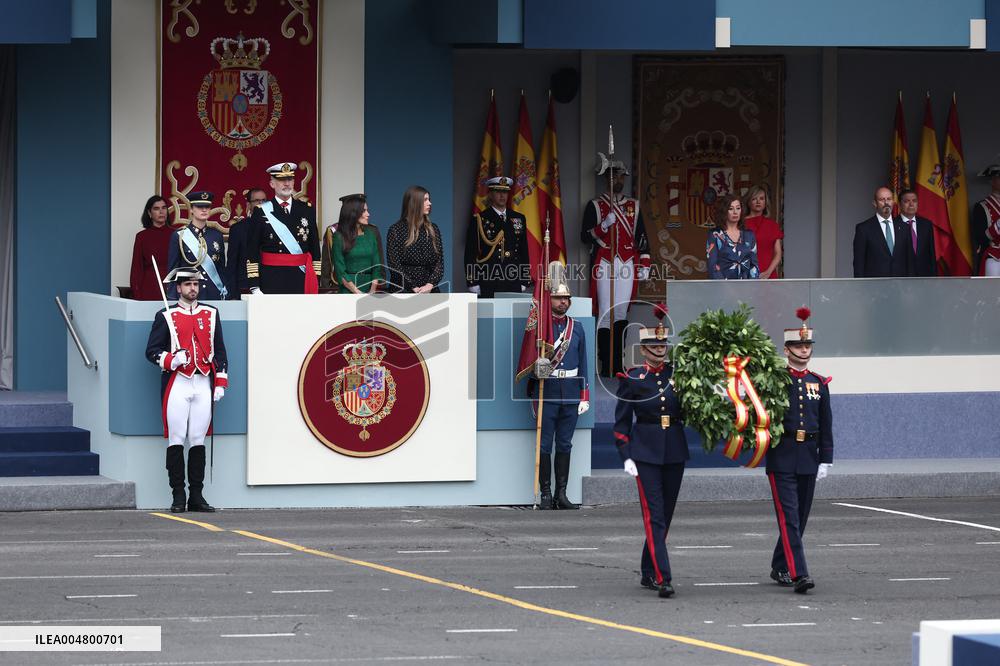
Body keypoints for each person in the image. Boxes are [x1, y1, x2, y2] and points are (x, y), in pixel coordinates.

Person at [612, 306, 686, 598]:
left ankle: (647, 569)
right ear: (643, 350)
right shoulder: (633, 378)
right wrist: (626, 455)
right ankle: (661, 576)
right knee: (654, 515)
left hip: (675, 450)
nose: (660, 349)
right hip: (645, 453)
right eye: (654, 345)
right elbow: (620, 423)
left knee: (665, 516)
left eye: (663, 344)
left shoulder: (679, 374)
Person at [145, 267, 229, 513]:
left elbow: (220, 351)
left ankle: (197, 496)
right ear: (178, 288)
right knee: (176, 438)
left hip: (203, 381)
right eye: (188, 284)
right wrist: (172, 359)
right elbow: (151, 351)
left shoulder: (211, 313)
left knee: (198, 440)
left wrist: (221, 381)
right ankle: (178, 496)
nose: (193, 288)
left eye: (196, 284)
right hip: (177, 383)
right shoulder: (165, 315)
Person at [766, 307, 833, 594]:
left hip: (809, 455)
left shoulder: (818, 383)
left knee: (800, 518)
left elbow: (827, 423)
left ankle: (780, 565)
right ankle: (799, 573)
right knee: (790, 517)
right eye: (798, 345)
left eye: (807, 345)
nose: (804, 350)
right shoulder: (774, 379)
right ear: (787, 349)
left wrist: (826, 459)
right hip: (782, 454)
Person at [581, 156, 650, 376]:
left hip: (627, 262)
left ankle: (617, 363)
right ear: (606, 178)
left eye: (620, 176)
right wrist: (604, 225)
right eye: (613, 176)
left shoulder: (633, 206)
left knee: (620, 311)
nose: (618, 180)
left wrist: (646, 262)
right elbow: (585, 236)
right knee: (604, 311)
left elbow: (642, 238)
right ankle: (605, 363)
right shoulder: (595, 205)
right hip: (604, 261)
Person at [527, 264, 589, 510]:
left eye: (566, 298)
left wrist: (584, 396)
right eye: (558, 297)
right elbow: (526, 359)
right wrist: (536, 368)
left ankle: (561, 495)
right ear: (548, 298)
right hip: (548, 391)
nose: (563, 302)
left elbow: (584, 364)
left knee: (565, 444)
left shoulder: (578, 328)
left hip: (571, 393)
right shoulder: (540, 327)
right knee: (544, 445)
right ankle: (545, 494)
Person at [245, 162, 321, 294]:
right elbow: (252, 250)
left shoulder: (306, 209)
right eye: (281, 180)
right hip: (271, 279)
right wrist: (254, 285)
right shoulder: (261, 211)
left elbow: (314, 247)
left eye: (290, 179)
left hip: (301, 278)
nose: (287, 183)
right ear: (272, 184)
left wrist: (316, 277)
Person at [465, 176, 531, 297]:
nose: (502, 195)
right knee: (488, 315)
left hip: (513, 277)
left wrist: (524, 279)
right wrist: (472, 281)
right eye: (498, 191)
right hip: (488, 278)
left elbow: (523, 251)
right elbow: (470, 253)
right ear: (490, 194)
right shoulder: (480, 219)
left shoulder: (518, 218)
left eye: (505, 192)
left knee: (512, 315)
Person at [166, 191, 228, 301]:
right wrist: (172, 297)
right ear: (191, 210)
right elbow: (173, 269)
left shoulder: (216, 235)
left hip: (213, 292)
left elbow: (221, 268)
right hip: (189, 294)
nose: (204, 210)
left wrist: (225, 291)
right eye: (199, 207)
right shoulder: (180, 235)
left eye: (207, 207)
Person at [386, 186, 444, 293]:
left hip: (429, 289)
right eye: (425, 200)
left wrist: (430, 284)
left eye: (429, 199)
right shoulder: (396, 230)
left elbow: (439, 263)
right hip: (403, 289)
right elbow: (394, 264)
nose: (430, 203)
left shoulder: (433, 229)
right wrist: (413, 287)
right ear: (414, 203)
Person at [325, 193, 385, 293]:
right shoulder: (339, 237)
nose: (368, 214)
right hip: (349, 291)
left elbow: (377, 265)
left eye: (367, 210)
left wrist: (372, 290)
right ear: (353, 213)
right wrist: (357, 292)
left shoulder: (371, 234)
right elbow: (340, 271)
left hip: (370, 290)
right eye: (364, 211)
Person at [852, 186, 911, 277]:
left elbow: (910, 261)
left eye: (889, 199)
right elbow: (859, 264)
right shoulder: (863, 229)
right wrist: (860, 289)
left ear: (893, 202)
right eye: (882, 199)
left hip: (901, 287)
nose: (886, 202)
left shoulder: (904, 227)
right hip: (874, 288)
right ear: (875, 203)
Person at [129, 195, 173, 300]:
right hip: (150, 288)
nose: (161, 211)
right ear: (149, 213)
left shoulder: (177, 235)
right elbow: (137, 269)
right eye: (156, 209)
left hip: (172, 287)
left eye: (164, 208)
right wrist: (137, 295)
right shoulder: (141, 236)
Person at [706, 193, 759, 279]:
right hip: (722, 288)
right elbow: (712, 267)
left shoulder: (749, 235)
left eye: (738, 208)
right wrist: (727, 289)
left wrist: (751, 287)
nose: (735, 212)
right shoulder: (715, 235)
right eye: (731, 209)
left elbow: (754, 265)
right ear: (724, 211)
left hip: (746, 288)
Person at [226, 187, 267, 297]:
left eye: (264, 200)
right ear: (248, 204)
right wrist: (232, 294)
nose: (261, 203)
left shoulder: (275, 226)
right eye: (257, 201)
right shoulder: (238, 229)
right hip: (246, 287)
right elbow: (232, 264)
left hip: (270, 285)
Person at [743, 185, 784, 279]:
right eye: (754, 198)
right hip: (746, 274)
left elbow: (778, 253)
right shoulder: (741, 224)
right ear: (749, 202)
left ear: (765, 202)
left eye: (761, 198)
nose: (758, 201)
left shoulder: (773, 225)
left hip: (769, 273)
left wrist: (768, 272)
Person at [898, 189, 937, 277]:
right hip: (901, 277)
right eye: (907, 201)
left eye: (914, 201)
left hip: (924, 276)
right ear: (900, 205)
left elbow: (931, 254)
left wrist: (935, 278)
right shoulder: (893, 225)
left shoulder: (926, 224)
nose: (911, 204)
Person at [972, 163, 1000, 276]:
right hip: (993, 256)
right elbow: (980, 237)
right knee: (992, 292)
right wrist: (997, 226)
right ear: (992, 181)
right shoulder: (981, 206)